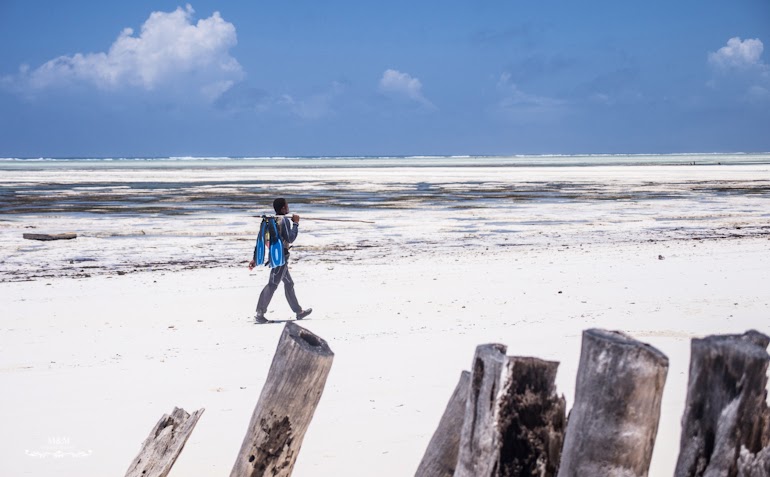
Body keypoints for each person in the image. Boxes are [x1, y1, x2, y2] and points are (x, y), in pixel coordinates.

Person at [249, 198, 313, 324]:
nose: (288, 207)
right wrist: (296, 223)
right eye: (287, 205)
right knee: (272, 284)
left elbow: (262, 240)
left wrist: (255, 258)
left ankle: (299, 312)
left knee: (289, 283)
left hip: (277, 255)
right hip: (281, 258)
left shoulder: (271, 220)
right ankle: (260, 313)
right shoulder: (283, 220)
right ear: (283, 208)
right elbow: (290, 238)